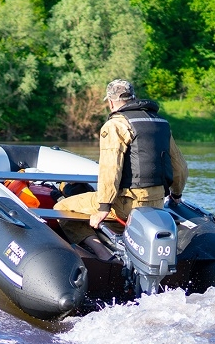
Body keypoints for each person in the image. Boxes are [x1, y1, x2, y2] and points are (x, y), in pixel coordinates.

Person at [56, 79, 188, 246]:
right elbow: (180, 167)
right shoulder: (161, 123)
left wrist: (104, 208)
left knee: (63, 208)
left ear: (111, 103)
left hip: (127, 204)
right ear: (133, 98)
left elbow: (110, 169)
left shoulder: (115, 125)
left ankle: (101, 253)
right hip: (157, 203)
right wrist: (176, 195)